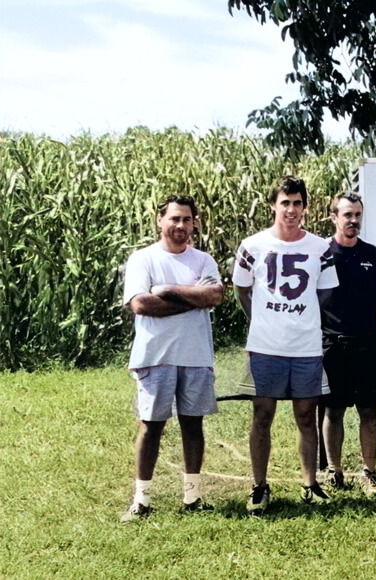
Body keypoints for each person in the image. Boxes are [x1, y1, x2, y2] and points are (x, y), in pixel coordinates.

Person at [232, 175, 339, 513]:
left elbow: (326, 293)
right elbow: (241, 289)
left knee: (306, 415)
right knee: (262, 413)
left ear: (305, 208)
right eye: (285, 203)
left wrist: (301, 318)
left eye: (297, 204)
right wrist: (261, 320)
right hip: (266, 345)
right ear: (273, 206)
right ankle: (259, 486)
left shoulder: (320, 248)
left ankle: (310, 483)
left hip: (305, 346)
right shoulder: (253, 245)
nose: (291, 210)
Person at [121, 195, 224, 521]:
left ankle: (192, 497)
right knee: (151, 427)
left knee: (193, 425)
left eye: (187, 220)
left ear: (195, 223)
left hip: (195, 356)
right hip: (156, 356)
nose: (181, 226)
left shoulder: (204, 260)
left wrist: (165, 289)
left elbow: (215, 295)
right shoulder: (143, 259)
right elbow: (140, 305)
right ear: (160, 221)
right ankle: (142, 500)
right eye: (174, 219)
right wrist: (192, 297)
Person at [320, 192, 376, 495]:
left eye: (357, 215)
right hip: (331, 344)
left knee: (368, 410)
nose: (353, 221)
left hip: (365, 343)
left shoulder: (372, 255)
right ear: (334, 217)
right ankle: (334, 471)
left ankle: (369, 472)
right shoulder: (319, 253)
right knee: (333, 412)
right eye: (347, 215)